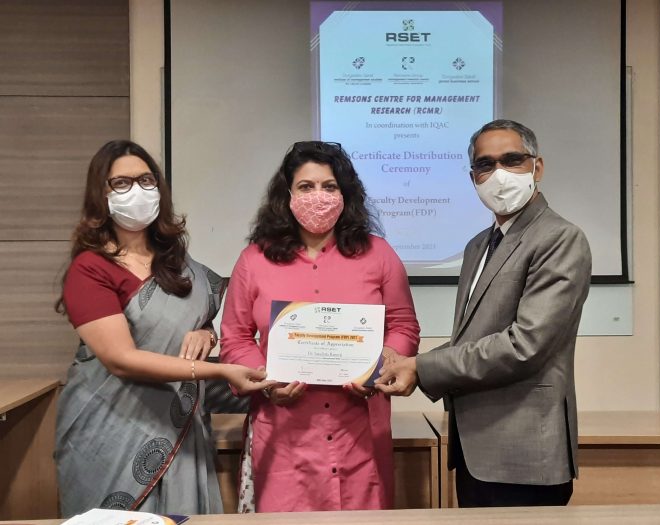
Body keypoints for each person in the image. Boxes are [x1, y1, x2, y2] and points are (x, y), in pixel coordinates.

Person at [376, 120, 592, 507]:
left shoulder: (560, 238)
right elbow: (472, 339)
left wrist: (421, 366)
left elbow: (525, 345)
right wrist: (408, 365)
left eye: (512, 160)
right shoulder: (478, 245)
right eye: (485, 165)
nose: (499, 174)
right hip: (476, 450)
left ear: (537, 167)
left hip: (525, 453)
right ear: (473, 177)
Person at [54, 140, 273, 517]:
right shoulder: (91, 269)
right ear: (101, 194)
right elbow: (121, 359)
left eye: (146, 180)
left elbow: (197, 317)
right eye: (121, 183)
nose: (136, 191)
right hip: (109, 432)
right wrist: (220, 370)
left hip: (180, 433)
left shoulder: (176, 262)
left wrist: (206, 333)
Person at [219, 140, 420, 512]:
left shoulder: (379, 254)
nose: (318, 196)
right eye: (306, 187)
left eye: (329, 186)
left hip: (359, 431)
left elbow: (404, 326)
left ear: (346, 195)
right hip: (284, 433)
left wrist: (380, 366)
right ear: (287, 195)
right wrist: (266, 379)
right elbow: (235, 337)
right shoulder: (254, 259)